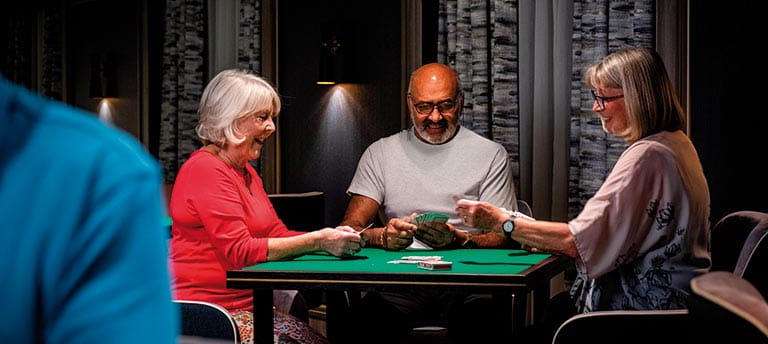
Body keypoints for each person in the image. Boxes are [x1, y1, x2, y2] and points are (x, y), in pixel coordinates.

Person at [456, 47, 711, 342]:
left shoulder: (648, 156)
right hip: (677, 311)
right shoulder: (676, 143)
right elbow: (607, 237)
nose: (595, 108)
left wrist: (502, 222)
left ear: (637, 97)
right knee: (554, 309)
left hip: (640, 321)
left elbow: (578, 242)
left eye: (604, 97)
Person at [168, 69, 362, 344]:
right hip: (214, 316)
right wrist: (318, 241)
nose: (271, 126)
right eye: (262, 117)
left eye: (271, 117)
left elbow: (276, 233)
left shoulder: (244, 170)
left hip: (250, 308)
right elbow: (239, 251)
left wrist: (331, 236)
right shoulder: (205, 169)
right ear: (230, 118)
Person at [340, 62, 517, 343]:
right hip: (399, 282)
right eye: (424, 107)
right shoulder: (381, 153)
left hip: (469, 281)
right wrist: (383, 236)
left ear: (460, 103)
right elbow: (349, 229)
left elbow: (504, 235)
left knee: (485, 323)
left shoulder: (490, 154)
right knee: (363, 323)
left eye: (445, 105)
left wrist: (459, 240)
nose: (435, 117)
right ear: (410, 104)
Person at [0, 75, 178, 342]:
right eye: (260, 117)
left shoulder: (104, 175)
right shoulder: (100, 172)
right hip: (218, 301)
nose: (267, 127)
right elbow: (235, 247)